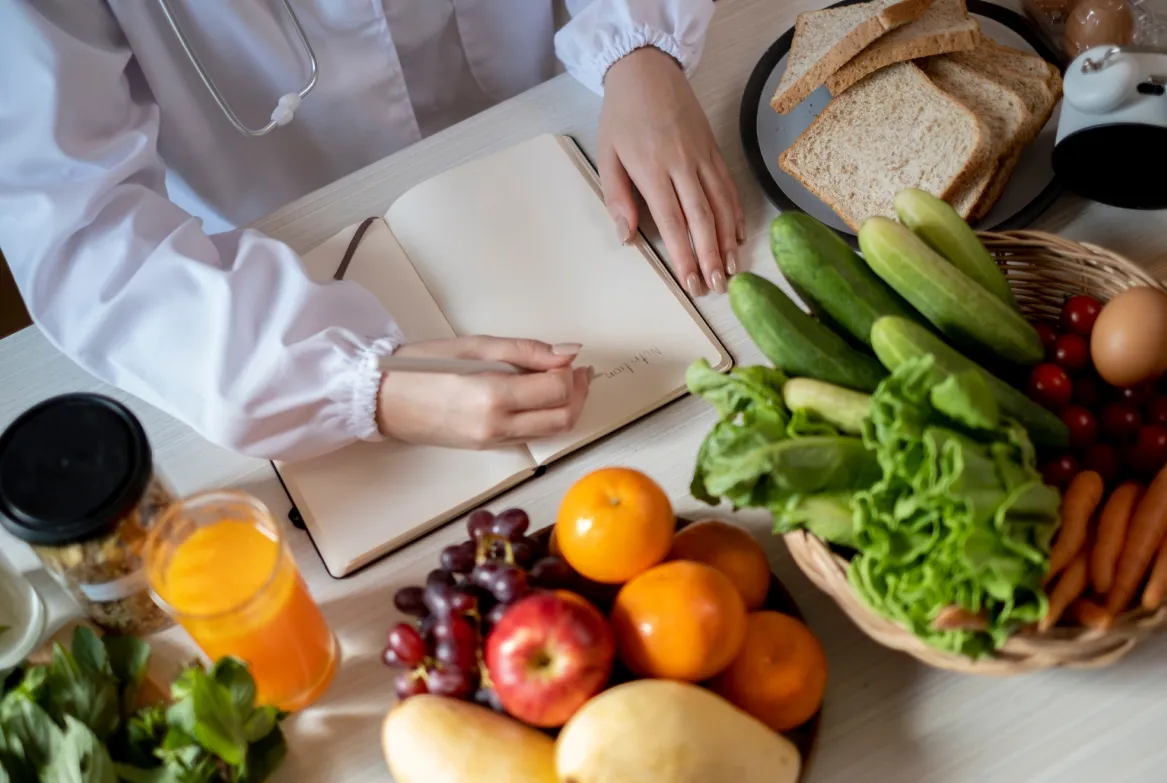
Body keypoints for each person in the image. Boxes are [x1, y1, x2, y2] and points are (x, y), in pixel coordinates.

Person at [0, 0, 741, 462]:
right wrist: (347, 389)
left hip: (569, 104)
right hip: (276, 270)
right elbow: (78, 229)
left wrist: (641, 41)